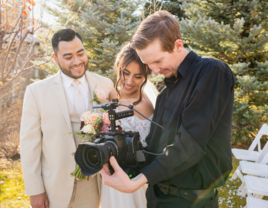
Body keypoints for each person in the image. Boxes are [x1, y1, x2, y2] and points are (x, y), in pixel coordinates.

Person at [100, 11, 235, 208]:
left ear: (178, 45)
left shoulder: (211, 71)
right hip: (156, 198)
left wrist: (137, 182)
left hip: (190, 201)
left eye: (157, 61)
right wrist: (112, 156)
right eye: (148, 64)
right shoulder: (165, 94)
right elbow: (155, 150)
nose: (154, 71)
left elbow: (191, 143)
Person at [20, 29, 114, 208]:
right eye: (68, 57)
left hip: (96, 185)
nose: (77, 61)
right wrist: (35, 190)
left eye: (81, 53)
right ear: (56, 59)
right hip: (54, 187)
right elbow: (29, 145)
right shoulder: (36, 92)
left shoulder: (105, 85)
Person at [101, 44, 158, 208]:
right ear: (118, 67)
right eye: (125, 73)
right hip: (112, 179)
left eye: (138, 76)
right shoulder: (110, 95)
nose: (129, 81)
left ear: (146, 78)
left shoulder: (144, 105)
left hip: (133, 179)